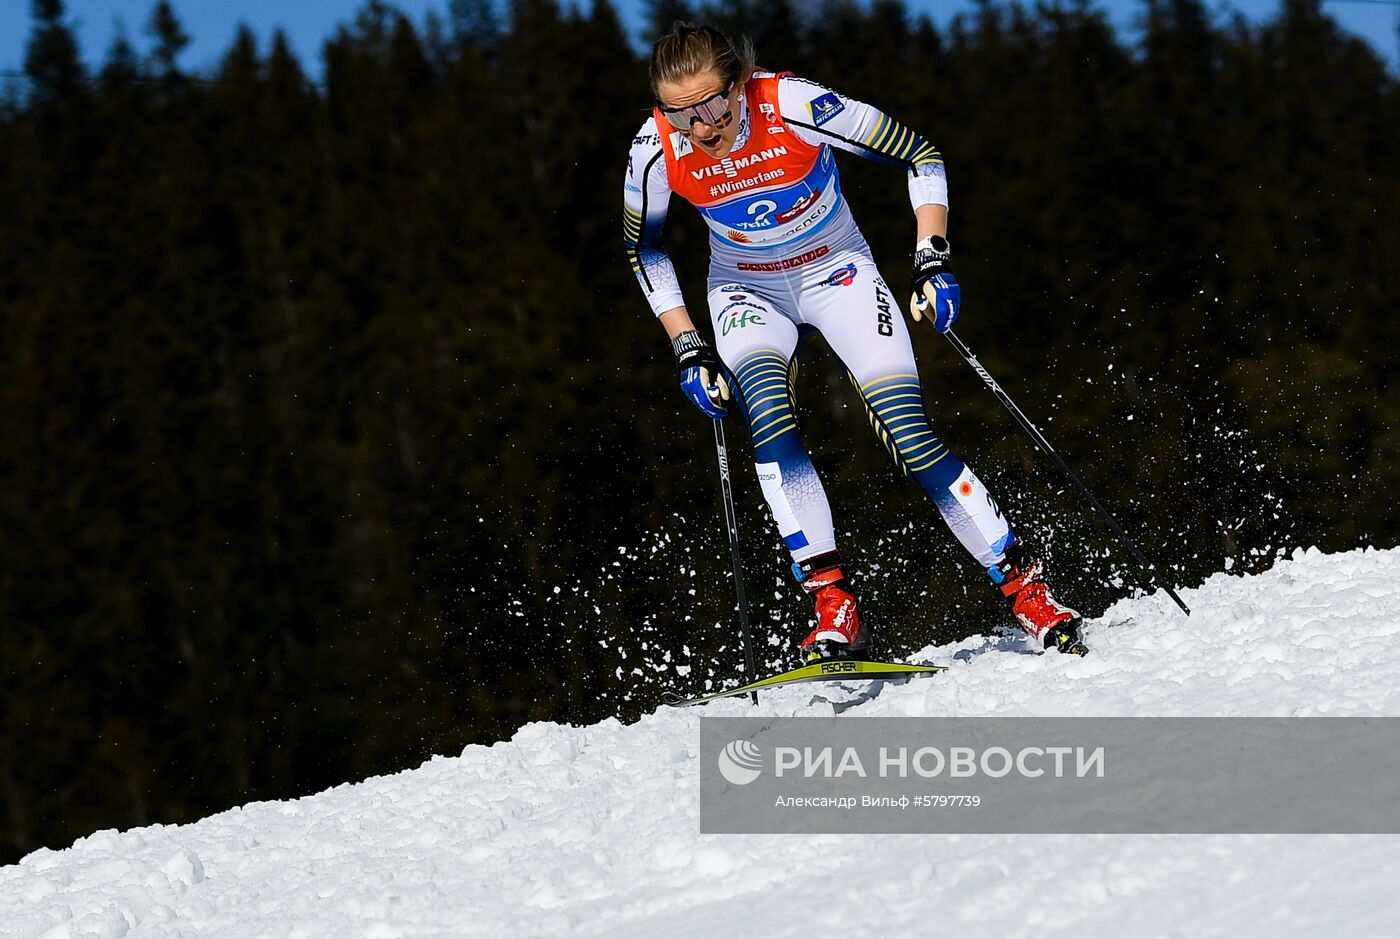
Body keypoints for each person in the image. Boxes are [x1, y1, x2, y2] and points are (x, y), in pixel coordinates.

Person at [622, 22, 1088, 660]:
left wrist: (932, 255)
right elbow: (643, 247)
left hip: (835, 271)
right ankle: (832, 603)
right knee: (769, 422)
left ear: (739, 83)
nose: (700, 127)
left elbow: (920, 153)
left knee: (912, 438)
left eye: (710, 104)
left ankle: (1026, 592)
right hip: (743, 290)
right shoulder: (655, 148)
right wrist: (686, 344)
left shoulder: (792, 105)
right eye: (679, 113)